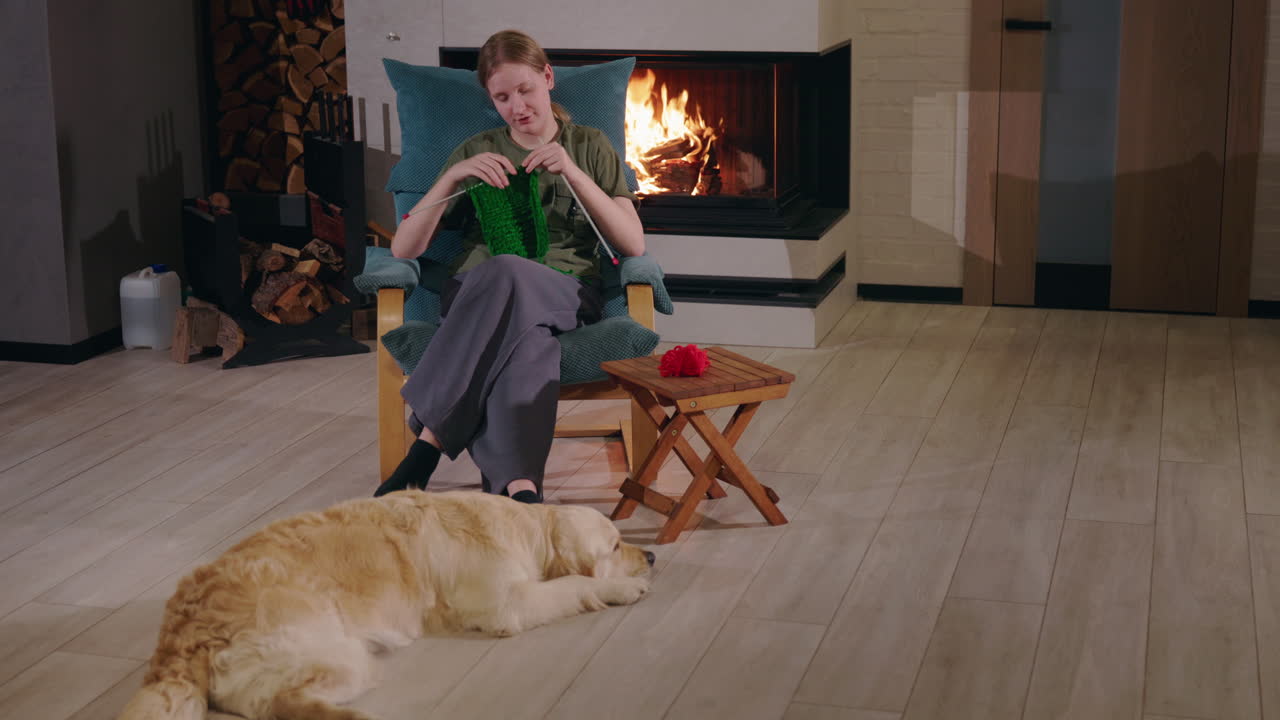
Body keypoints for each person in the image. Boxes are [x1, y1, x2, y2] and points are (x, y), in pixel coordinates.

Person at [373, 29, 646, 503]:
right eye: (502, 97)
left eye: (525, 90)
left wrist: (573, 172)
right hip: (478, 291)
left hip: (566, 291)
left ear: (548, 78)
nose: (517, 106)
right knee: (525, 340)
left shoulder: (588, 145)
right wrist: (452, 177)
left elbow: (633, 243)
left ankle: (428, 442)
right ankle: (520, 490)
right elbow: (405, 249)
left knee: (510, 270)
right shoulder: (477, 150)